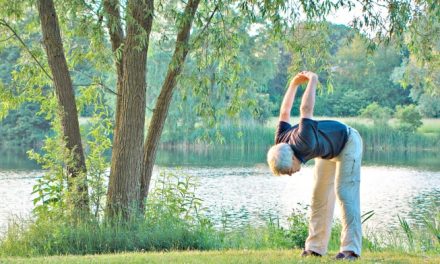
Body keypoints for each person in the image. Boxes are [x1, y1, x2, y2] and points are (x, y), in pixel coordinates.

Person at [267, 71, 363, 260]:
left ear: (293, 158)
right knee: (319, 197)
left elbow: (306, 109)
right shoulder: (281, 141)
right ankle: (314, 248)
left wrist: (312, 80)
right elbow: (284, 112)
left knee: (345, 193)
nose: (291, 174)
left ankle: (350, 250)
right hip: (327, 151)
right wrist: (293, 84)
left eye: (288, 171)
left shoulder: (304, 141)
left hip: (348, 142)